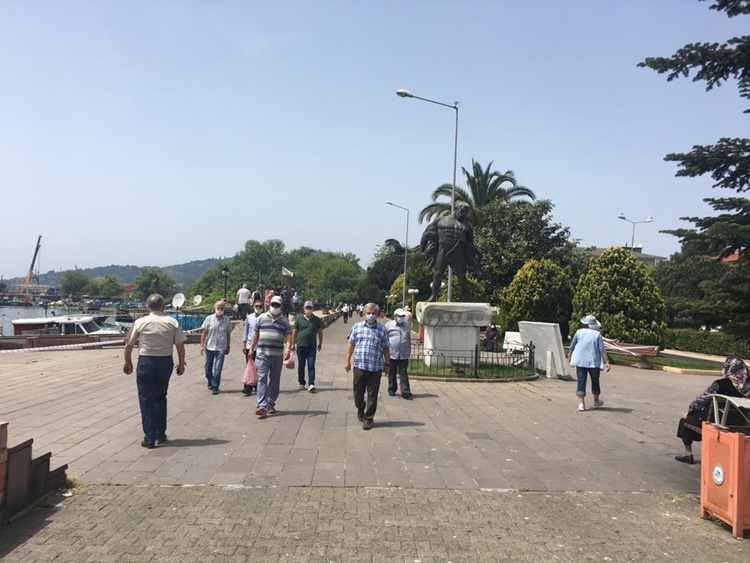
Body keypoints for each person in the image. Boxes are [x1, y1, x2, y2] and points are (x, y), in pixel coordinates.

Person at [123, 294, 186, 448]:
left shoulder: (140, 322)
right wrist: (181, 364)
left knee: (146, 399)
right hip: (165, 361)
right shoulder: (172, 322)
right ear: (163, 307)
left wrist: (128, 362)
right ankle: (160, 432)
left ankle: (149, 437)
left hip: (146, 361)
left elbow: (128, 345)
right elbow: (180, 345)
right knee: (160, 397)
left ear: (147, 307)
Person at [675, 357, 749, 464]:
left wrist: (689, 411)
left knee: (684, 420)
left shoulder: (720, 384)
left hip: (715, 421)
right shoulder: (748, 387)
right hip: (740, 422)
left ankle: (688, 454)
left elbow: (701, 400)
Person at [420, 203, 482, 302]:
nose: (463, 214)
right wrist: (422, 250)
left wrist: (473, 258)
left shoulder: (468, 225)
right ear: (456, 209)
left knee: (461, 275)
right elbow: (426, 234)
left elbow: (469, 242)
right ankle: (433, 296)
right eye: (462, 211)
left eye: (465, 213)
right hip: (443, 251)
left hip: (458, 252)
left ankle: (465, 295)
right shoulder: (441, 220)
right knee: (438, 273)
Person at [344, 303, 390, 430]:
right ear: (364, 313)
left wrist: (387, 364)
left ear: (377, 314)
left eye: (373, 313)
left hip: (375, 367)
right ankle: (360, 407)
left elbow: (386, 348)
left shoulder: (382, 330)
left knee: (372, 394)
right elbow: (351, 344)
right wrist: (347, 360)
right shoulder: (357, 327)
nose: (371, 315)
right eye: (369, 313)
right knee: (357, 393)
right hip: (359, 366)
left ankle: (368, 419)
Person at [250, 295, 293, 418]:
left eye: (277, 305)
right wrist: (251, 348)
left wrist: (288, 349)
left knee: (275, 380)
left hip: (277, 354)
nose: (275, 307)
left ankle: (270, 402)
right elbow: (256, 334)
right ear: (270, 305)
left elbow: (289, 336)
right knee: (262, 378)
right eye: (273, 304)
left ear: (281, 306)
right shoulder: (262, 318)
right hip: (262, 353)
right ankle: (261, 405)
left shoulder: (284, 321)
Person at [568, 315, 611, 412]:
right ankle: (596, 401)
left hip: (580, 360)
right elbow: (602, 349)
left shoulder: (578, 332)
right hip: (593, 361)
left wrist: (570, 355)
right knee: (595, 380)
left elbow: (572, 345)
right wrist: (607, 361)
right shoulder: (597, 335)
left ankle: (581, 403)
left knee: (581, 380)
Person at [200, 300, 233, 395]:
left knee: (218, 368)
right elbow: (204, 333)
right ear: (215, 308)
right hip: (209, 346)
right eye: (218, 307)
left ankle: (215, 386)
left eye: (222, 308)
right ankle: (210, 380)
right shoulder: (209, 319)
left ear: (224, 309)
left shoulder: (227, 320)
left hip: (221, 347)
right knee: (207, 368)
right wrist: (202, 345)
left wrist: (228, 346)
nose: (220, 309)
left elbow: (228, 334)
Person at [291, 300, 323, 392]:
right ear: (304, 308)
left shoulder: (316, 320)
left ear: (313, 308)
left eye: (310, 308)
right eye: (307, 307)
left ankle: (311, 383)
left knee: (311, 365)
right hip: (301, 345)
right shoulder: (299, 319)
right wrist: (293, 344)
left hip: (311, 346)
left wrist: (320, 343)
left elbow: (320, 332)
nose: (309, 309)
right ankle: (301, 382)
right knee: (301, 365)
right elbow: (294, 332)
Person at [384, 308, 412, 399]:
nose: (402, 317)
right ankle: (392, 389)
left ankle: (405, 390)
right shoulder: (388, 325)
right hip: (392, 353)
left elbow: (408, 337)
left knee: (403, 372)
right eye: (400, 316)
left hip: (403, 353)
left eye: (403, 316)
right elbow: (384, 338)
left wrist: (409, 348)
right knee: (392, 372)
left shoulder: (406, 325)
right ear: (395, 316)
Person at [241, 299, 264, 395]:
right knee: (249, 365)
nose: (258, 308)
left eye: (260, 306)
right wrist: (244, 343)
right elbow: (246, 331)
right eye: (256, 306)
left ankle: (257, 384)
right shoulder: (249, 317)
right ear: (253, 307)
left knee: (260, 366)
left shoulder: (265, 317)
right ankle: (248, 386)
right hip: (250, 345)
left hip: (262, 345)